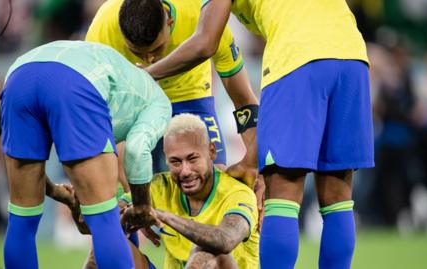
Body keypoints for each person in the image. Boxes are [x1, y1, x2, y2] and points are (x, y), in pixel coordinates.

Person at [144, 0, 374, 268]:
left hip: (297, 55)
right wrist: (250, 159)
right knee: (338, 198)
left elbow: (206, 42)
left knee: (283, 192)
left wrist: (145, 74)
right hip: (353, 57)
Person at [0, 40, 171, 269]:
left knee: (23, 217)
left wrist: (58, 192)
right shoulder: (159, 102)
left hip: (19, 75)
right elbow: (136, 149)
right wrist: (141, 206)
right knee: (103, 219)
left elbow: (33, 172)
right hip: (75, 81)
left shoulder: (124, 79)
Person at [86, 0, 259, 187]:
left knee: (211, 183)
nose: (149, 59)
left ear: (169, 21)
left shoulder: (200, 14)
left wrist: (254, 161)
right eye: (136, 53)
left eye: (157, 49)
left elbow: (243, 100)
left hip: (189, 93)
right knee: (128, 191)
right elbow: (98, 115)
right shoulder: (102, 29)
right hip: (134, 104)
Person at [65, 114, 259, 269]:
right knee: (104, 248)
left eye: (192, 159)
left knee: (205, 254)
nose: (185, 171)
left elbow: (224, 240)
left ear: (211, 152)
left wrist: (164, 216)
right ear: (165, 159)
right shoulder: (159, 187)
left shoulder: (237, 193)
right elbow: (99, 228)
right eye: (175, 161)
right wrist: (78, 211)